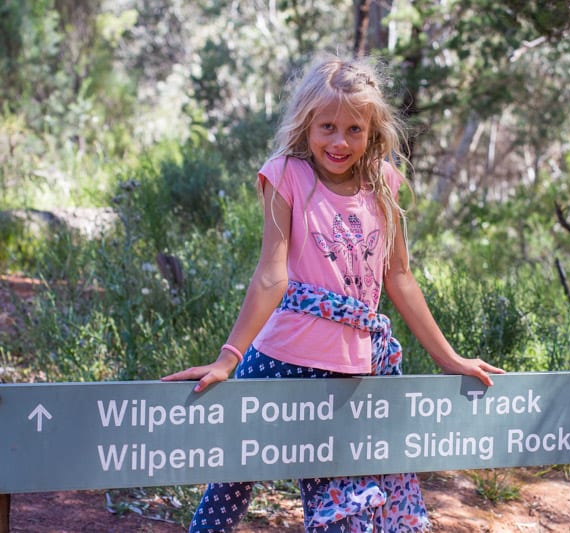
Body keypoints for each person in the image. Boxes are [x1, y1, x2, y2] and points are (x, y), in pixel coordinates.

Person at [162, 52, 504, 533]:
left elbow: (400, 276)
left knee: (345, 508)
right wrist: (228, 358)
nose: (339, 141)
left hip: (351, 370)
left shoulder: (384, 184)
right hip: (281, 356)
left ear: (372, 131)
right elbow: (270, 276)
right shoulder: (286, 175)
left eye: (353, 130)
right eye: (327, 127)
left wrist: (451, 359)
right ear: (306, 125)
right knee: (236, 469)